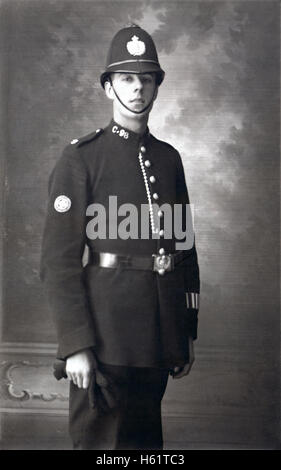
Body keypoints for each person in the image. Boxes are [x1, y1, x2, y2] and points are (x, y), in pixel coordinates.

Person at [40, 24, 200, 450]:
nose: (137, 89)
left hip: (158, 338)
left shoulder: (168, 159)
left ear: (157, 87)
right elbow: (58, 262)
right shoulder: (81, 158)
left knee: (145, 451)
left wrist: (184, 334)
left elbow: (184, 250)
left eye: (146, 79)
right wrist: (75, 344)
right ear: (108, 87)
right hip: (103, 337)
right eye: (126, 78)